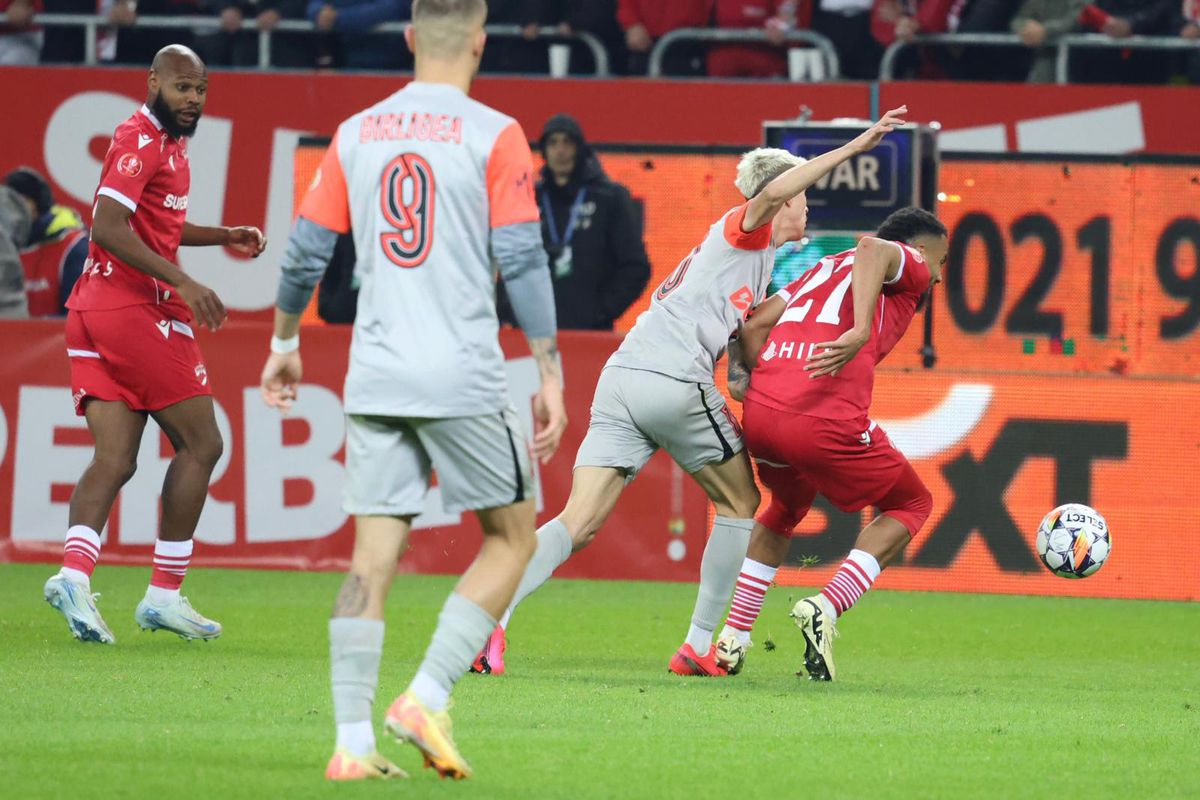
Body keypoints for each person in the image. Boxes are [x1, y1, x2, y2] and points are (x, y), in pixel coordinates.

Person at [476, 108, 910, 679]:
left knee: (577, 521)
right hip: (670, 380)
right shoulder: (744, 227)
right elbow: (778, 186)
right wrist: (855, 147)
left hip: (622, 378)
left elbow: (733, 353)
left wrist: (742, 380)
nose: (808, 204)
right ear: (784, 199)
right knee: (743, 505)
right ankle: (700, 644)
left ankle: (488, 621)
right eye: (803, 195)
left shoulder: (754, 263)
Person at [258, 0, 566, 781]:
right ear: (480, 40)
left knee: (371, 559)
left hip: (377, 371)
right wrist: (550, 369)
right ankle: (425, 695)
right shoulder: (492, 132)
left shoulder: (357, 133)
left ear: (405, 39)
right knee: (514, 538)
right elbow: (524, 261)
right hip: (460, 369)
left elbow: (301, 256)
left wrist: (284, 341)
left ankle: (351, 744)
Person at [42, 45, 267, 645]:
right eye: (182, 88)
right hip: (132, 310)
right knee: (203, 442)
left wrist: (222, 235)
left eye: (200, 90)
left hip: (90, 311)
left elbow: (152, 226)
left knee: (116, 459)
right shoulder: (140, 141)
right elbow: (106, 227)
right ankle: (164, 593)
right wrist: (183, 281)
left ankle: (73, 575)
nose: (192, 99)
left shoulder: (166, 143)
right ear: (153, 83)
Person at [714, 205, 949, 680]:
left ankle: (733, 638)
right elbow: (872, 246)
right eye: (941, 262)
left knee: (784, 509)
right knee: (912, 504)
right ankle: (826, 605)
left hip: (762, 413)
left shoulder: (822, 266)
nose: (938, 278)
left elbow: (754, 324)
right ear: (920, 251)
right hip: (823, 417)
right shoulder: (909, 264)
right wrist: (860, 329)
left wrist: (746, 378)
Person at [522, 113, 649, 330]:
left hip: (591, 334)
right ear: (544, 150)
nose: (560, 150)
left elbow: (635, 267)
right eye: (553, 143)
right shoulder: (528, 198)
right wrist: (511, 312)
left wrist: (601, 312)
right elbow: (508, 261)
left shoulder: (609, 198)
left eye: (567, 142)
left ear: (579, 148)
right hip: (535, 333)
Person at [5, 166, 90, 317]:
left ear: (39, 204)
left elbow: (78, 316)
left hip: (54, 339)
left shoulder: (73, 247)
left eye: (20, 201)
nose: (12, 211)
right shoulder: (6, 245)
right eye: (7, 203)